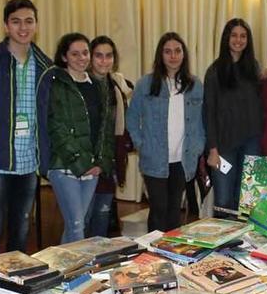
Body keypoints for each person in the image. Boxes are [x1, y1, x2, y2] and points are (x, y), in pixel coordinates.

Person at [0, 0, 52, 256]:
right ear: (6, 26)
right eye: (16, 22)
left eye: (29, 21)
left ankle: (15, 288)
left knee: (22, 227)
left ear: (36, 25)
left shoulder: (45, 66)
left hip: (28, 162)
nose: (23, 28)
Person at [126, 32, 205, 232]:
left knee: (174, 210)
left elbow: (202, 119)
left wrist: (198, 146)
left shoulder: (195, 85)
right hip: (154, 157)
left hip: (183, 158)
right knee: (158, 208)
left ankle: (172, 254)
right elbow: (132, 117)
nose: (173, 56)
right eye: (168, 51)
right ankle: (152, 255)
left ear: (184, 54)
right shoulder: (146, 84)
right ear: (160, 55)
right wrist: (140, 143)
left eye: (177, 51)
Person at [40, 33, 113, 244]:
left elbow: (103, 130)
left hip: (92, 169)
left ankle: (63, 273)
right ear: (64, 57)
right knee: (77, 226)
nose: (82, 58)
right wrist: (82, 163)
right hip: (64, 166)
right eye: (75, 54)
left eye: (85, 52)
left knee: (76, 224)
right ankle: (77, 277)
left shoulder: (96, 85)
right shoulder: (56, 84)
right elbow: (56, 128)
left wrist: (100, 163)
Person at [204, 18, 264, 216]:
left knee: (245, 199)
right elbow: (209, 112)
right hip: (224, 148)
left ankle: (240, 245)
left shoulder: (254, 68)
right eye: (234, 35)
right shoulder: (214, 72)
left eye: (243, 36)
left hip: (251, 144)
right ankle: (221, 245)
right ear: (226, 38)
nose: (239, 40)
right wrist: (212, 149)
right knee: (223, 199)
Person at [85, 35, 133, 237]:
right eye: (99, 56)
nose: (104, 61)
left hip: (108, 162)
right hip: (85, 164)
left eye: (108, 56)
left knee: (102, 219)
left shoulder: (116, 86)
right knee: (82, 221)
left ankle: (99, 266)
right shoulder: (81, 85)